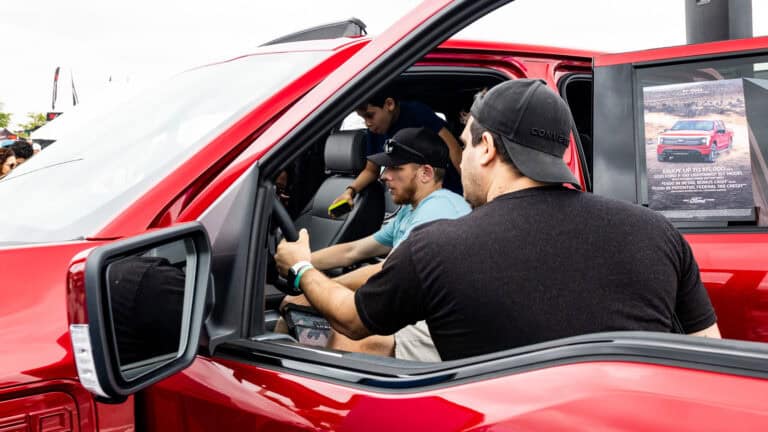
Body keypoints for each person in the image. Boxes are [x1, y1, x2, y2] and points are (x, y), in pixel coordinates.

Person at [275, 79, 720, 362]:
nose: (461, 158)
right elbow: (707, 357)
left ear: (486, 148)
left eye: (465, 145)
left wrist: (301, 268)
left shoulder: (437, 245)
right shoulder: (658, 232)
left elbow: (352, 321)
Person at [281, 127, 470, 361]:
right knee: (292, 315)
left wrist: (310, 285)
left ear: (426, 173)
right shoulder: (411, 210)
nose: (383, 175)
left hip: (441, 322)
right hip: (417, 305)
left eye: (395, 167)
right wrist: (299, 260)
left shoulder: (440, 208)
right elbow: (354, 250)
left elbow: (388, 272)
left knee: (351, 337)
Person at [332, 89, 464, 207]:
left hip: (450, 189)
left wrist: (468, 190)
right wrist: (350, 191)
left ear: (389, 104)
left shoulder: (417, 113)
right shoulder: (375, 132)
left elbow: (454, 149)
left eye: (370, 115)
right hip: (418, 200)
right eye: (363, 118)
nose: (368, 123)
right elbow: (371, 170)